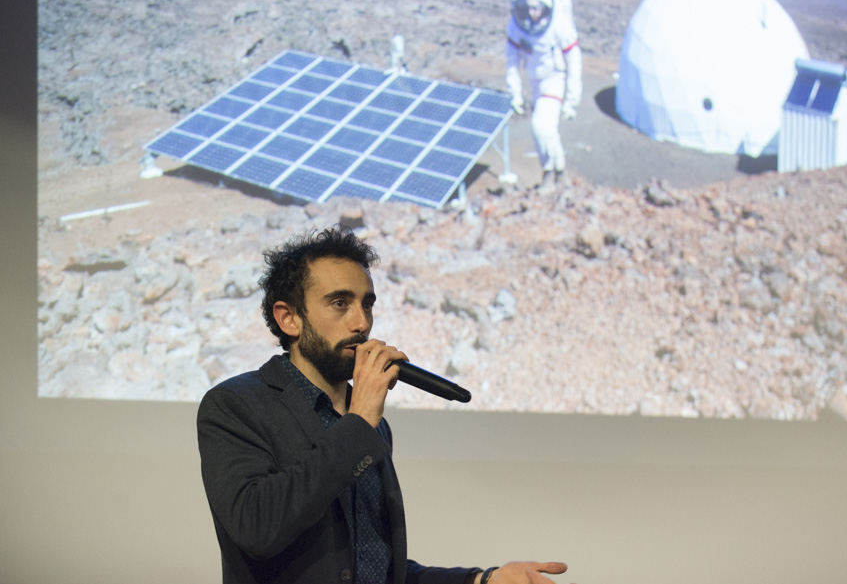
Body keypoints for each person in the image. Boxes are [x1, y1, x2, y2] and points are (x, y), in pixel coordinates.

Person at [197, 226, 571, 584]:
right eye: (339, 303)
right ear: (289, 318)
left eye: (367, 304)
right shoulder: (236, 404)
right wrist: (358, 421)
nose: (361, 322)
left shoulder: (371, 425)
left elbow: (376, 567)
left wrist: (480, 579)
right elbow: (258, 528)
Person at [505, 0, 582, 194]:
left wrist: (571, 99)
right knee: (548, 130)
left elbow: (574, 60)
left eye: (535, 8)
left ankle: (549, 173)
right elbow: (512, 60)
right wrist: (515, 93)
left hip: (554, 80)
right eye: (525, 8)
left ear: (546, 6)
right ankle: (560, 174)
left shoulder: (558, 26)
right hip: (536, 82)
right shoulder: (516, 27)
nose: (530, 13)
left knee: (541, 127)